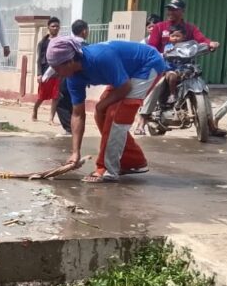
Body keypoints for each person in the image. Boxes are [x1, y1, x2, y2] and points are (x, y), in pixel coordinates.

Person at [45, 36, 168, 183]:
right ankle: (133, 161)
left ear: (70, 61)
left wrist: (100, 106)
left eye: (57, 68)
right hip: (125, 74)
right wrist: (75, 153)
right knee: (102, 113)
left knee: (116, 115)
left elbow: (125, 87)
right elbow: (77, 114)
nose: (55, 73)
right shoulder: (73, 78)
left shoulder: (100, 57)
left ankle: (107, 169)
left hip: (148, 64)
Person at [148, 0, 220, 52]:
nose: (170, 12)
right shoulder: (159, 27)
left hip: (184, 64)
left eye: (174, 10)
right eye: (169, 9)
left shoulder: (191, 28)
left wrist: (211, 43)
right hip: (163, 64)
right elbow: (151, 46)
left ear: (183, 11)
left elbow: (202, 39)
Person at [32, 17, 61, 122]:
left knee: (56, 96)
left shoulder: (61, 41)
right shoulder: (43, 42)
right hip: (46, 72)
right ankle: (35, 109)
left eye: (57, 26)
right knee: (41, 96)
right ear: (48, 27)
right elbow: (39, 59)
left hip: (58, 73)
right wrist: (39, 74)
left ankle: (51, 119)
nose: (55, 28)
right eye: (53, 26)